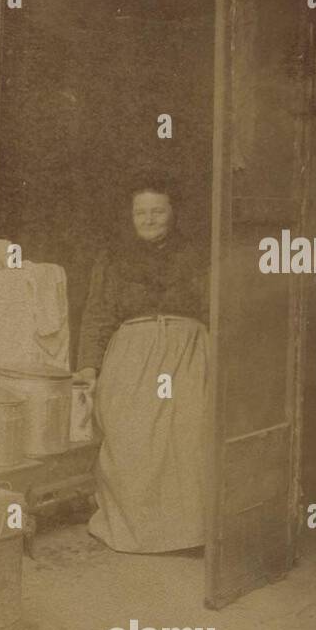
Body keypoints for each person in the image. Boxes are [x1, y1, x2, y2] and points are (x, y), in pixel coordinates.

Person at [76, 184, 209, 553]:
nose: (149, 219)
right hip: (131, 355)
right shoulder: (113, 258)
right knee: (130, 435)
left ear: (173, 212)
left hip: (188, 353)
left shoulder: (198, 255)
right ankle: (136, 532)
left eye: (158, 211)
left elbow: (218, 307)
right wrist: (88, 366)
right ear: (130, 217)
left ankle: (187, 534)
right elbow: (98, 314)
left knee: (188, 434)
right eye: (141, 213)